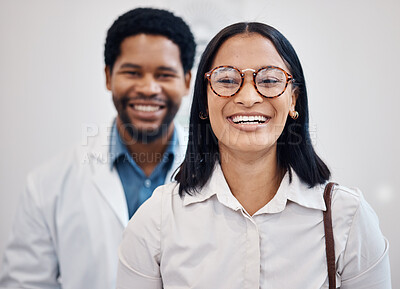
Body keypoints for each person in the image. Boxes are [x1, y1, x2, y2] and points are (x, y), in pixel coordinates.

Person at [116, 22, 391, 288]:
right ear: (204, 101)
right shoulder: (157, 219)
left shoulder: (347, 217)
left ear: (293, 99)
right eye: (226, 79)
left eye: (269, 79)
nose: (248, 97)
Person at [0, 7, 195, 289]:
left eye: (164, 74)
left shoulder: (220, 174)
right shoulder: (47, 185)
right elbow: (24, 283)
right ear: (108, 76)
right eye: (132, 72)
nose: (149, 88)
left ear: (187, 81)